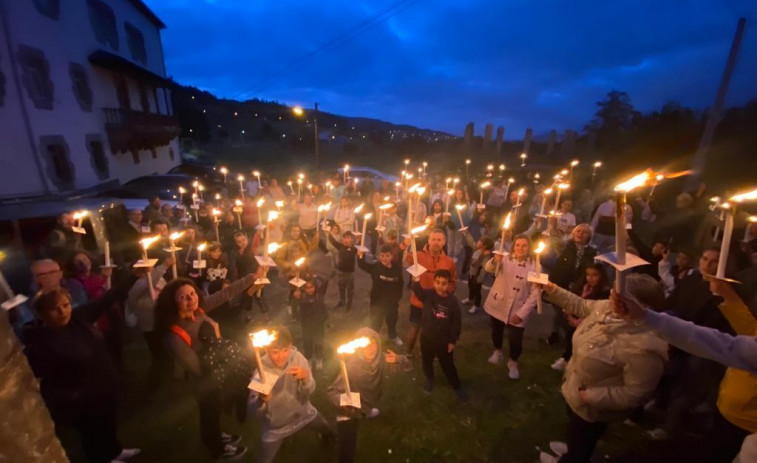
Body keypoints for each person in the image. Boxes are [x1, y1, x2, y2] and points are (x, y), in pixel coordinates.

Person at [616, 278, 757, 462]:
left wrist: (647, 317)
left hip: (746, 418)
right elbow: (724, 342)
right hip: (734, 408)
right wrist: (646, 317)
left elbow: (718, 344)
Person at [538, 274, 668, 463]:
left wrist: (589, 396)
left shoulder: (645, 347)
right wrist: (551, 289)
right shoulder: (607, 309)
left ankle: (573, 457)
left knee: (584, 438)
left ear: (640, 305)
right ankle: (574, 448)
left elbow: (637, 393)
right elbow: (581, 305)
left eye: (618, 295)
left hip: (594, 407)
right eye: (613, 292)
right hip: (575, 389)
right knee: (577, 431)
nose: (611, 297)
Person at [23, 277, 140, 463]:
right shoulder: (41, 342)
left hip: (103, 385)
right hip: (81, 400)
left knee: (108, 423)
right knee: (93, 432)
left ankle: (115, 451)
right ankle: (101, 458)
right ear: (41, 313)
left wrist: (134, 275)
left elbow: (105, 299)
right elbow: (42, 377)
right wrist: (72, 396)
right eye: (55, 309)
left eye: (66, 304)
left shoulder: (78, 318)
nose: (63, 311)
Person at [155, 274, 264, 461]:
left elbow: (226, 292)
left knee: (215, 410)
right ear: (173, 303)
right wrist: (217, 378)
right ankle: (216, 447)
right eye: (183, 297)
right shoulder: (175, 334)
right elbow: (194, 366)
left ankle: (216, 434)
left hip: (218, 372)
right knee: (209, 411)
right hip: (205, 379)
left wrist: (253, 277)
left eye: (192, 293)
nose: (191, 299)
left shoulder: (199, 311)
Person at [250, 325, 334, 463]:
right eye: (275, 352)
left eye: (285, 350)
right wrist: (261, 400)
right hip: (276, 426)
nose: (281, 356)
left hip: (302, 413)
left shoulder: (298, 359)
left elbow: (311, 389)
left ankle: (329, 436)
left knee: (325, 427)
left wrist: (306, 378)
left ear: (290, 346)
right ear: (266, 350)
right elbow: (253, 412)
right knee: (264, 459)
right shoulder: (262, 372)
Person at [327, 327, 398, 463]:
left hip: (366, 400)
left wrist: (398, 360)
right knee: (347, 441)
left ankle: (367, 410)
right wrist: (343, 402)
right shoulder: (352, 368)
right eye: (366, 346)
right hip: (349, 409)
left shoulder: (382, 359)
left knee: (366, 404)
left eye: (373, 344)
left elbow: (406, 364)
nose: (370, 349)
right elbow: (331, 391)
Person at [483, 235, 540, 380]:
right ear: (513, 246)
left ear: (529, 248)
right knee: (496, 330)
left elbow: (535, 294)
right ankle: (498, 351)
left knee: (516, 339)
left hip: (518, 307)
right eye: (518, 245)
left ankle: (513, 361)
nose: (520, 248)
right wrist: (494, 261)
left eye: (524, 245)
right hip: (499, 302)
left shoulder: (535, 266)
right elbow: (488, 268)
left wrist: (522, 313)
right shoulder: (505, 258)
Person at [402, 228, 457, 368]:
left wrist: (447, 293)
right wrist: (407, 244)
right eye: (433, 239)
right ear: (428, 241)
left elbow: (453, 280)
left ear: (444, 242)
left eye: (439, 240)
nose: (436, 243)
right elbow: (404, 261)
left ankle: (432, 353)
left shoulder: (449, 261)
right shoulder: (418, 255)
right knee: (414, 329)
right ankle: (407, 354)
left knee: (436, 332)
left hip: (437, 305)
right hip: (419, 302)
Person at [411, 269, 467, 401]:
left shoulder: (452, 302)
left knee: (447, 364)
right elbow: (418, 292)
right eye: (437, 282)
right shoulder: (429, 295)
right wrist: (416, 280)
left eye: (444, 283)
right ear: (434, 282)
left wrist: (452, 341)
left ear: (449, 285)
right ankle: (429, 379)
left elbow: (455, 323)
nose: (440, 286)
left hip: (443, 341)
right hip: (427, 338)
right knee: (427, 361)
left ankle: (456, 385)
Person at [550, 263, 610, 372]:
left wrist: (578, 321)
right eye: (588, 275)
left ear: (601, 276)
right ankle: (567, 358)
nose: (590, 278)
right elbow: (574, 300)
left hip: (588, 322)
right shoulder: (583, 287)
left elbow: (594, 310)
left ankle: (570, 360)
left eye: (594, 275)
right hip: (574, 318)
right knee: (570, 336)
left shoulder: (604, 293)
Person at [127, 255, 174, 388]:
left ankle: (167, 379)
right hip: (150, 326)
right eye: (148, 266)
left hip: (163, 320)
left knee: (168, 352)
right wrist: (164, 265)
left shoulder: (158, 279)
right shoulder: (138, 285)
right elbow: (149, 284)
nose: (152, 268)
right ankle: (154, 384)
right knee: (159, 355)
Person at [357, 244, 404, 346]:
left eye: (387, 256)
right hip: (377, 302)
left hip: (392, 303)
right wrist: (361, 255)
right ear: (379, 256)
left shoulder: (397, 269)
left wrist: (397, 298)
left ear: (392, 256)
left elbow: (400, 284)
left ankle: (393, 336)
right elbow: (362, 265)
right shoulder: (375, 267)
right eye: (382, 256)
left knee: (391, 320)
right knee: (376, 321)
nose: (384, 258)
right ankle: (374, 338)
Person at [293, 276, 328, 370]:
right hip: (307, 325)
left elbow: (325, 280)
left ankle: (319, 359)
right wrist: (297, 297)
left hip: (319, 324)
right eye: (307, 288)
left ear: (315, 287)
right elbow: (300, 306)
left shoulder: (319, 294)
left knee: (319, 342)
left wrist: (316, 276)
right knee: (308, 343)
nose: (310, 290)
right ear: (304, 288)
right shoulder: (302, 297)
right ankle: (308, 360)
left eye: (312, 287)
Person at [460, 231, 494, 314]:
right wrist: (466, 233)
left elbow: (484, 269)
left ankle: (476, 305)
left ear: (484, 245)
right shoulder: (477, 249)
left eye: (480, 241)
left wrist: (479, 279)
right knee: (470, 286)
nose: (478, 242)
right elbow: (471, 242)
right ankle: (470, 298)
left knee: (477, 291)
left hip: (477, 277)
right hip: (471, 274)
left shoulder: (485, 256)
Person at [328, 230, 358, 311]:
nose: (346, 240)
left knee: (350, 289)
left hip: (350, 273)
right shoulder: (340, 246)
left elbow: (360, 248)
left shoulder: (354, 249)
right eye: (345, 238)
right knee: (341, 287)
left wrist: (358, 240)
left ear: (351, 239)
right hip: (340, 272)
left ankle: (349, 303)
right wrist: (328, 234)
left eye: (348, 238)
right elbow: (333, 241)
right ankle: (342, 301)